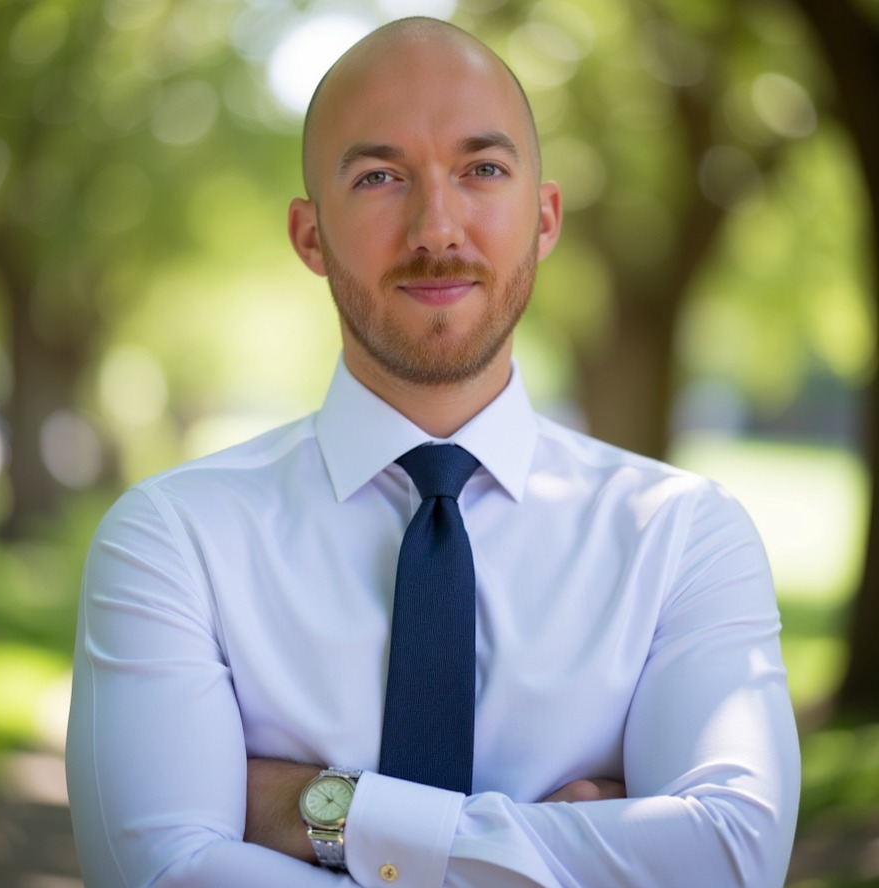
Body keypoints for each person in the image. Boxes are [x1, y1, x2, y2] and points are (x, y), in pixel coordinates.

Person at [66, 16, 800, 888]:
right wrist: (565, 847)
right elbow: (165, 876)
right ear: (309, 235)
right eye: (379, 176)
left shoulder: (683, 537)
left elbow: (730, 856)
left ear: (545, 217)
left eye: (482, 170)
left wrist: (325, 810)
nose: (436, 225)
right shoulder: (172, 541)